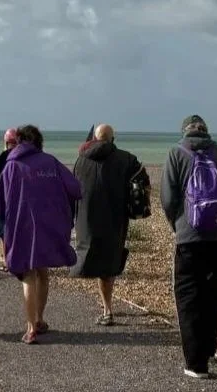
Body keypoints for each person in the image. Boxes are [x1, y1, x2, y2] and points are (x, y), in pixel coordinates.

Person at [162, 115, 217, 379]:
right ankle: (209, 347)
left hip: (188, 237)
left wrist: (178, 224)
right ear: (206, 132)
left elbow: (168, 199)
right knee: (212, 289)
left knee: (188, 295)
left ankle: (196, 363)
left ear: (184, 132)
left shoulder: (176, 153)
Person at [0, 124, 82, 344]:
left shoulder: (11, 165)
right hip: (49, 224)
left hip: (21, 226)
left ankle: (31, 327)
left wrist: (3, 231)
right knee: (42, 272)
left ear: (18, 142)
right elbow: (75, 188)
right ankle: (39, 319)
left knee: (28, 274)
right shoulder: (51, 162)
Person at [70, 123, 147, 325]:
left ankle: (107, 309)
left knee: (95, 259)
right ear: (112, 139)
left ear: (94, 139)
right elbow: (142, 180)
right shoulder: (126, 159)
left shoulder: (80, 160)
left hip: (86, 220)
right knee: (109, 265)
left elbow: (72, 191)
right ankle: (107, 309)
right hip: (115, 217)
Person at [0, 128, 19, 272]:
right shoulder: (23, 157)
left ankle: (7, 261)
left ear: (6, 142)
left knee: (3, 232)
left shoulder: (3, 157)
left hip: (4, 199)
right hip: (19, 200)